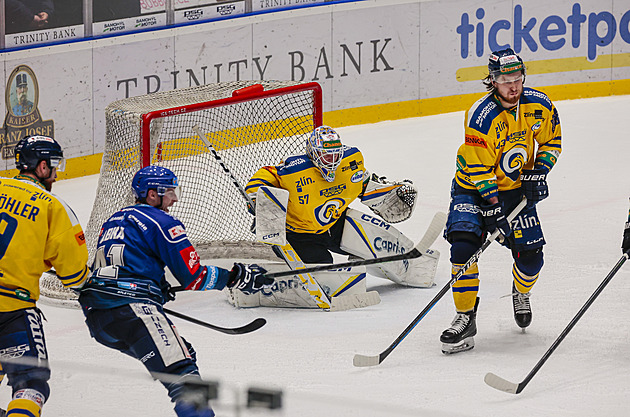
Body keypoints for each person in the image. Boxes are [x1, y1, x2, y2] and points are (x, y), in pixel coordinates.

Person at [77, 165, 273, 417]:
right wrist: (235, 277)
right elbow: (194, 277)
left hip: (99, 319)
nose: (175, 199)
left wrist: (155, 285)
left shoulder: (113, 221)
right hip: (133, 311)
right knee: (184, 378)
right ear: (152, 194)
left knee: (182, 354)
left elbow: (121, 266)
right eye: (169, 192)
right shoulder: (161, 222)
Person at [440, 48, 562, 354]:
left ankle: (520, 293)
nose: (514, 86)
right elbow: (479, 168)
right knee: (464, 246)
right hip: (473, 188)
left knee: (532, 258)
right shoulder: (481, 115)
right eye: (506, 79)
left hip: (516, 191)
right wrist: (493, 209)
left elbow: (551, 141)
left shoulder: (539, 105)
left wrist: (538, 172)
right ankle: (465, 317)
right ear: (492, 80)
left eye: (518, 78)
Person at [239, 126, 439, 308]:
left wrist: (391, 192)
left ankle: (415, 269)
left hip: (334, 224)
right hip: (297, 235)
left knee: (374, 243)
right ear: (313, 154)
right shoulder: (295, 170)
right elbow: (266, 174)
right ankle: (256, 287)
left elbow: (365, 184)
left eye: (335, 155)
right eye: (326, 157)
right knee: (325, 272)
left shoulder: (349, 163)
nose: (332, 162)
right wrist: (257, 196)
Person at [0, 135, 90, 416]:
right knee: (31, 384)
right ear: (41, 167)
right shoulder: (53, 206)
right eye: (54, 166)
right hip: (12, 308)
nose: (55, 173)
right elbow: (75, 276)